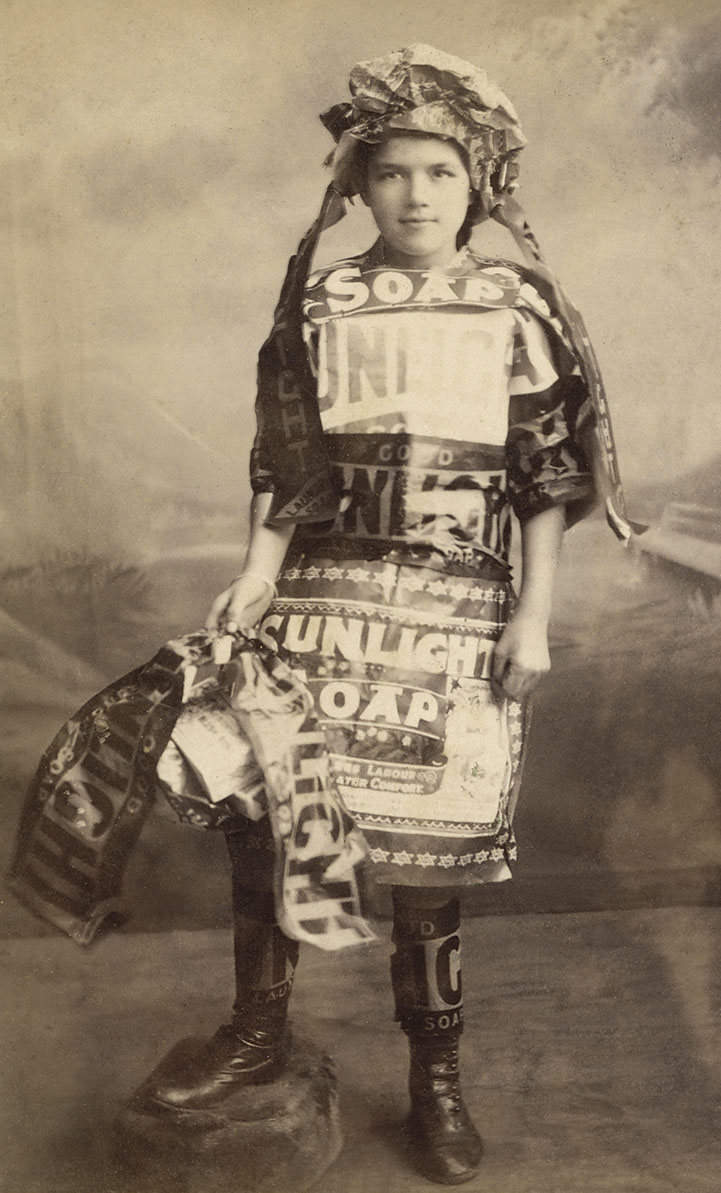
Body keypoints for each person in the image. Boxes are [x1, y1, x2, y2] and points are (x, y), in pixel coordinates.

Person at [146, 45, 627, 1186]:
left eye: (440, 173)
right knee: (267, 812)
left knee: (425, 850)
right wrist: (257, 569)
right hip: (321, 597)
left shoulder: (514, 305)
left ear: (478, 184)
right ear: (358, 183)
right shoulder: (323, 299)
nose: (417, 195)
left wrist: (532, 618)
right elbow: (289, 461)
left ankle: (435, 1079)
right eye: (394, 171)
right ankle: (257, 1030)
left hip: (456, 609)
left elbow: (545, 479)